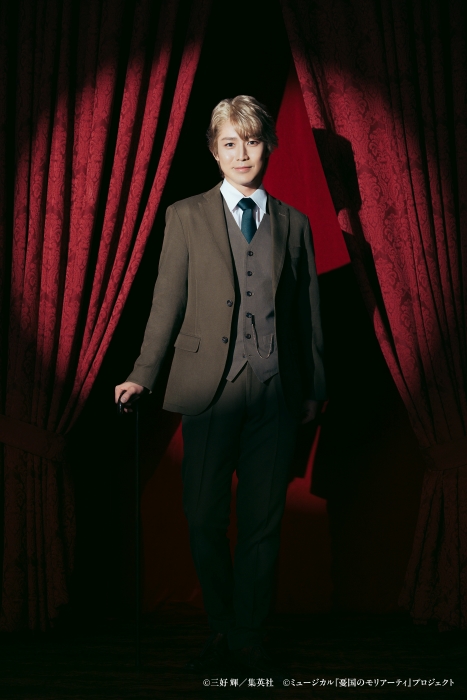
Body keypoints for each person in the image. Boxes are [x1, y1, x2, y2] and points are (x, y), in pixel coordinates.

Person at [114, 95, 326, 678]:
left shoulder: (295, 224)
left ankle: (248, 638)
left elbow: (308, 313)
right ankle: (223, 625)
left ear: (267, 146)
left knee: (262, 525)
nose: (242, 153)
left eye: (252, 141)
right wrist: (141, 373)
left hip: (277, 393)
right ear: (214, 150)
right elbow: (166, 302)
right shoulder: (185, 216)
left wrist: (314, 387)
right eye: (230, 143)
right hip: (209, 391)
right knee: (203, 517)